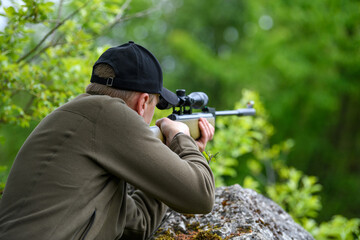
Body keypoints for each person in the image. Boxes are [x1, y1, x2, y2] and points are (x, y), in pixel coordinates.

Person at [0, 41, 215, 240]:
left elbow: (139, 223)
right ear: (143, 102)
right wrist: (181, 138)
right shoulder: (108, 112)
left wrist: (172, 157)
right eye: (156, 106)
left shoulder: (80, 119)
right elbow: (202, 196)